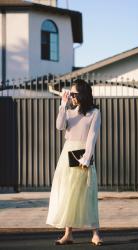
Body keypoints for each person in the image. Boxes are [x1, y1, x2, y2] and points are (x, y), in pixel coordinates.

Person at [46, 79, 103, 246]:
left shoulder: (95, 113)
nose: (71, 96)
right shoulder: (69, 112)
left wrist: (86, 158)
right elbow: (59, 126)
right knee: (68, 193)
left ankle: (95, 233)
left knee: (88, 192)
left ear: (82, 94)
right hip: (67, 155)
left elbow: (92, 137)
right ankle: (68, 234)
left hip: (84, 154)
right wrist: (63, 105)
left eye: (74, 94)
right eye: (70, 94)